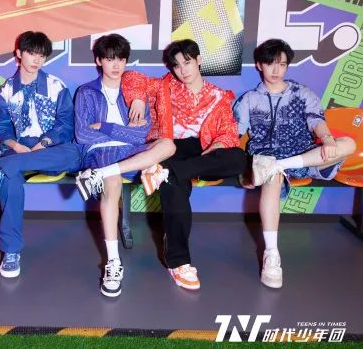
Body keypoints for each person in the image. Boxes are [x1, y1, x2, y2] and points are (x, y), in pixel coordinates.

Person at [233, 38, 355, 288]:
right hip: (266, 157)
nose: (276, 70)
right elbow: (234, 134)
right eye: (270, 63)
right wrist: (240, 167)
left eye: (282, 64)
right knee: (273, 176)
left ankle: (283, 164)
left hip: (303, 155)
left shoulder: (302, 93)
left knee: (348, 144)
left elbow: (316, 120)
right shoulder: (249, 99)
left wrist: (327, 139)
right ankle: (271, 255)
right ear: (259, 65)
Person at [73, 34, 175, 297]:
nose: (116, 65)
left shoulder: (135, 91)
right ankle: (113, 262)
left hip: (130, 151)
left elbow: (141, 135)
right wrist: (120, 132)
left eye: (120, 59)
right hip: (100, 152)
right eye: (109, 59)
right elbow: (83, 135)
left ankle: (100, 174)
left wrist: (105, 126)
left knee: (168, 145)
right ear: (99, 61)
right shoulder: (86, 92)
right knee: (112, 183)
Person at [145, 39, 247, 291]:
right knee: (174, 188)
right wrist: (137, 99)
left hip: (204, 152)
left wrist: (216, 147)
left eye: (187, 62)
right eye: (177, 65)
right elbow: (131, 80)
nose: (183, 70)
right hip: (172, 147)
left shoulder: (218, 96)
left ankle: (167, 173)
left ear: (199, 60)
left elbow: (228, 133)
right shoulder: (165, 86)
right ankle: (179, 262)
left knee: (238, 158)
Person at [0, 31, 82, 279]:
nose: (37, 60)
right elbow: (0, 128)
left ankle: (1, 166)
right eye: (31, 53)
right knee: (10, 183)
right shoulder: (5, 90)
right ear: (19, 54)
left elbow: (66, 125)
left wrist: (44, 143)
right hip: (16, 148)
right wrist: (15, 146)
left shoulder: (56, 87)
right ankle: (11, 251)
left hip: (49, 149)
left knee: (74, 154)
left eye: (42, 55)